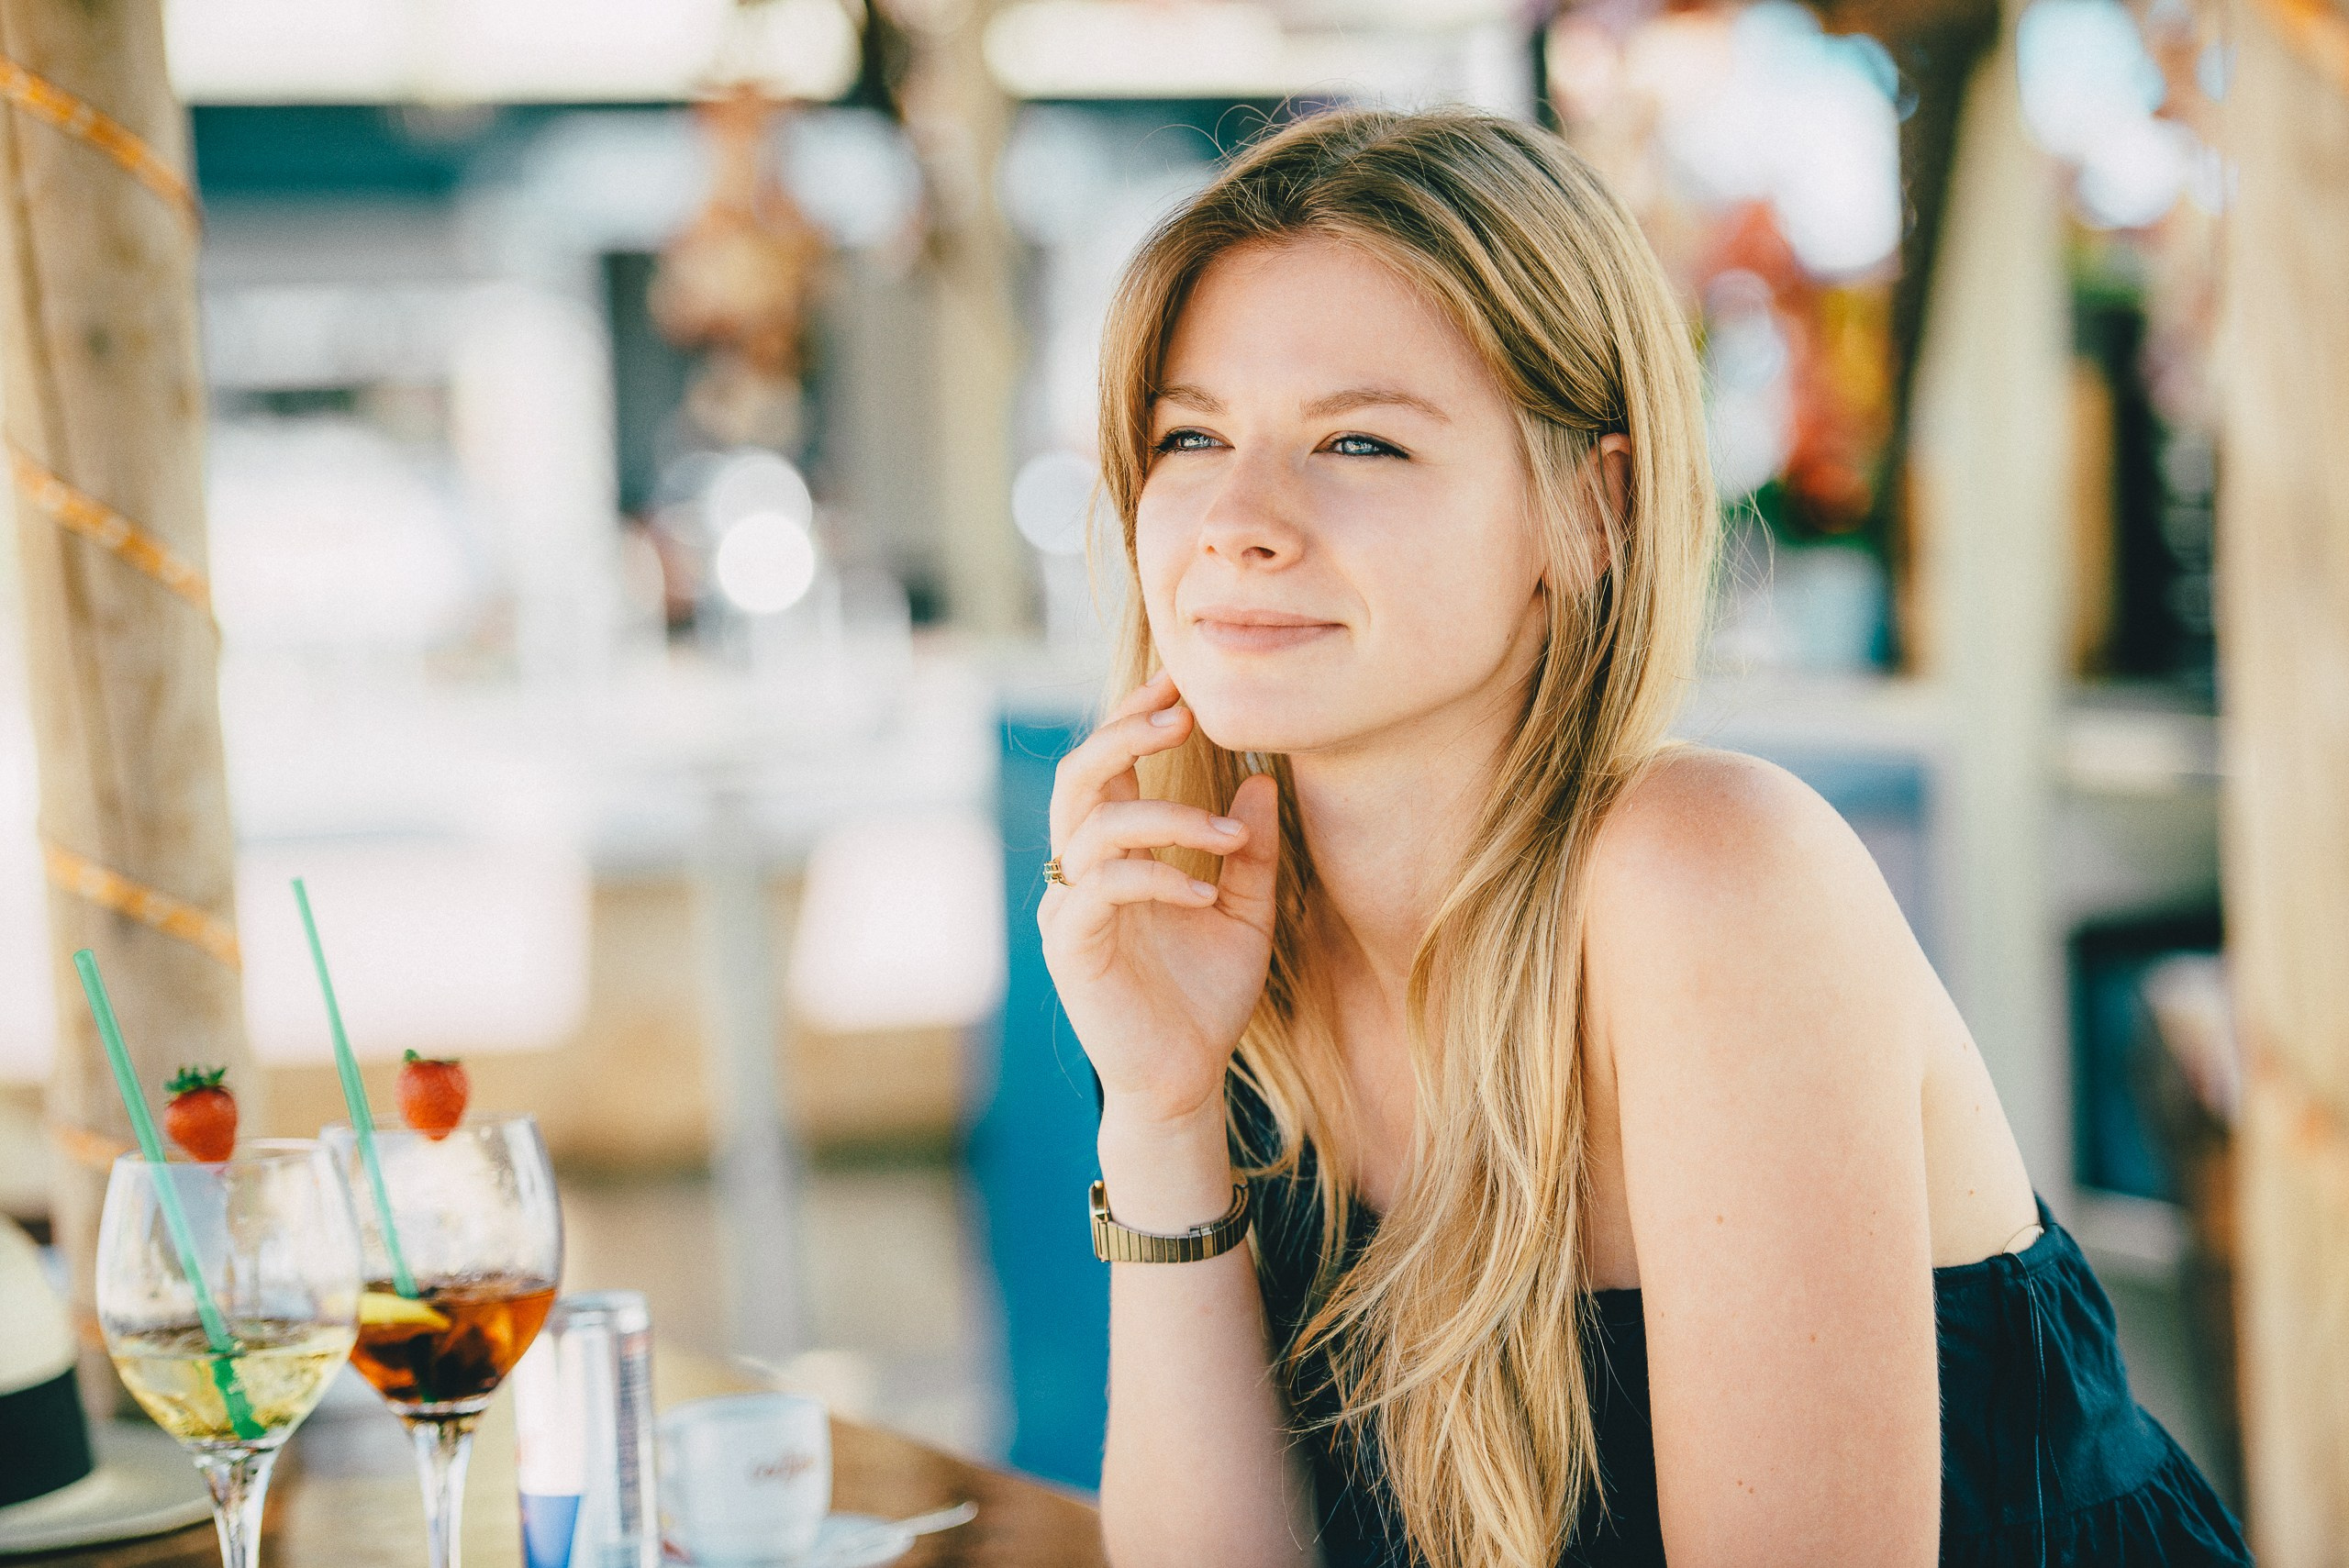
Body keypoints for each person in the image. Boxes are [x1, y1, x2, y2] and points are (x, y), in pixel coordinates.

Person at [1036, 106, 2249, 1568]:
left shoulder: (1711, 879)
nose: (1237, 516)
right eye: (1191, 434)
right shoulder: (1227, 922)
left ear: (1590, 508)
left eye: (1359, 440)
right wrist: (1160, 1107)